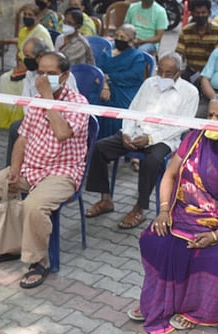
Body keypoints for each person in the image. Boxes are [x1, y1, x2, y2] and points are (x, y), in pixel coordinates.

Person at [129, 91, 218, 334]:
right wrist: (163, 210)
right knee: (155, 241)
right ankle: (161, 301)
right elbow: (170, 175)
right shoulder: (195, 138)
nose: (212, 121)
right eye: (210, 114)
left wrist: (216, 236)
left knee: (215, 257)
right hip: (184, 212)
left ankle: (199, 309)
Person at [0, 51, 89, 289]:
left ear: (65, 76)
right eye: (41, 72)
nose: (45, 78)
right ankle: (4, 248)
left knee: (33, 206)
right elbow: (22, 138)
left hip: (62, 173)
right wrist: (15, 169)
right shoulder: (37, 100)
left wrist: (48, 98)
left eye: (52, 74)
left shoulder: (78, 103)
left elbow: (62, 133)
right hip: (30, 168)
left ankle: (38, 262)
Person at [85, 53, 198, 229]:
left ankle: (139, 208)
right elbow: (133, 110)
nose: (162, 76)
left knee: (152, 161)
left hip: (164, 138)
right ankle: (105, 199)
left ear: (179, 72)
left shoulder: (190, 92)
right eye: (160, 70)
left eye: (168, 73)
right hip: (137, 131)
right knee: (100, 148)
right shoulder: (149, 83)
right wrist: (127, 133)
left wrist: (150, 139)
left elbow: (182, 125)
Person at [96, 24, 149, 139]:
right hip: (104, 87)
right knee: (93, 102)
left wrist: (110, 77)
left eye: (123, 37)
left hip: (126, 89)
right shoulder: (106, 53)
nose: (119, 39)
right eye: (117, 36)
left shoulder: (137, 56)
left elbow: (133, 75)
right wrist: (105, 86)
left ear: (131, 41)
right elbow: (99, 71)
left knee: (120, 109)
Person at [176, 0, 218, 83]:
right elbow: (179, 53)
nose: (200, 15)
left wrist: (205, 75)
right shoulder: (186, 31)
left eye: (203, 12)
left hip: (211, 72)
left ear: (209, 13)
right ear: (192, 14)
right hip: (191, 71)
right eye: (197, 13)